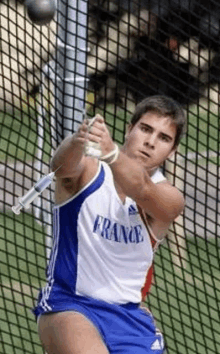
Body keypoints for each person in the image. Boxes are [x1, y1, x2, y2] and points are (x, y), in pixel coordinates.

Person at [33, 95, 186, 354]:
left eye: (164, 138)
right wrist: (77, 140)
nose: (150, 142)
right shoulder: (90, 171)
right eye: (145, 129)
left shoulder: (169, 197)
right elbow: (61, 167)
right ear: (130, 129)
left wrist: (113, 153)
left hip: (129, 317)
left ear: (172, 151)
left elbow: (141, 188)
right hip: (70, 305)